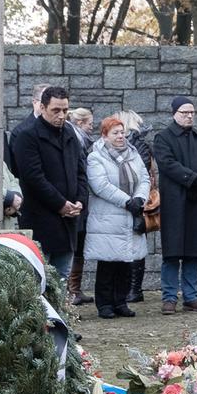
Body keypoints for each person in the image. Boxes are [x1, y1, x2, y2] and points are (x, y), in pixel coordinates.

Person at [7, 85, 86, 283]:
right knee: (39, 279)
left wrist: (80, 201)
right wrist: (61, 204)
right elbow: (33, 177)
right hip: (41, 219)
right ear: (42, 108)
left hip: (68, 220)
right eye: (56, 110)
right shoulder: (27, 135)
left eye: (65, 110)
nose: (61, 115)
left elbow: (81, 171)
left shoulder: (69, 133)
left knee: (61, 279)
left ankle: (59, 314)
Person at [150, 96, 197, 314]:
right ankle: (169, 297)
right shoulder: (163, 138)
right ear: (174, 113)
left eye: (191, 112)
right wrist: (192, 179)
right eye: (184, 112)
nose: (189, 116)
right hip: (175, 202)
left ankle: (191, 296)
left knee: (194, 251)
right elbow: (167, 164)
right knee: (172, 252)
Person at [84, 117, 150, 319]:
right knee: (107, 264)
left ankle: (120, 302)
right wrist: (126, 201)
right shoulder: (96, 157)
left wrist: (139, 198)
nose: (121, 136)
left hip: (131, 214)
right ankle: (104, 305)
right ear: (105, 136)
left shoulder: (133, 153)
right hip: (108, 217)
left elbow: (145, 178)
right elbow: (100, 185)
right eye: (115, 133)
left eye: (122, 132)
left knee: (126, 263)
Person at [117, 110, 154, 303]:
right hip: (128, 200)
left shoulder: (138, 145)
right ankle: (131, 288)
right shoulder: (137, 144)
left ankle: (134, 289)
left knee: (136, 243)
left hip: (136, 201)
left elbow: (142, 172)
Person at [67, 107, 95, 305]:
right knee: (73, 246)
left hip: (81, 200)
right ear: (80, 123)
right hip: (73, 200)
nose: (92, 128)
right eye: (90, 124)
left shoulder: (83, 141)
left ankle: (75, 289)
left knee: (79, 246)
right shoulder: (75, 140)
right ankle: (71, 289)